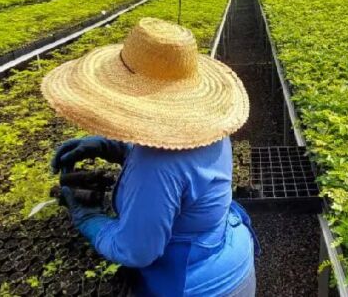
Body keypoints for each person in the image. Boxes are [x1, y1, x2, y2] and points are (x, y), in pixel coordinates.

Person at [42, 17, 257, 297]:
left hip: (196, 285)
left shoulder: (155, 166)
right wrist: (111, 147)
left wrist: (90, 221)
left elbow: (136, 250)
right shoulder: (204, 128)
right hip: (232, 252)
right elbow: (187, 169)